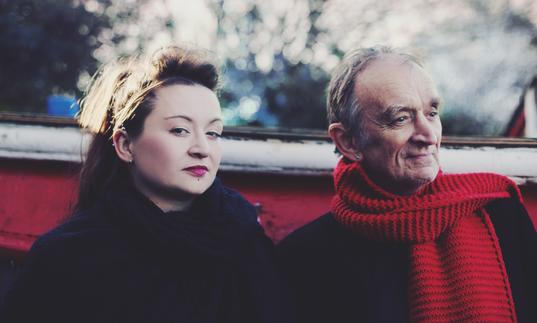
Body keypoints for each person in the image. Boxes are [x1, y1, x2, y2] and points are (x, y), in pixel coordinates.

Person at [0, 46, 290, 323]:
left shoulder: (245, 241)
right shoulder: (68, 257)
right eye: (180, 130)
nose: (202, 148)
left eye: (213, 133)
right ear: (125, 145)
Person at [277, 46, 537, 323]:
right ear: (348, 141)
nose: (428, 135)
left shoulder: (500, 215)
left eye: (432, 113)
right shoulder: (305, 258)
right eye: (401, 118)